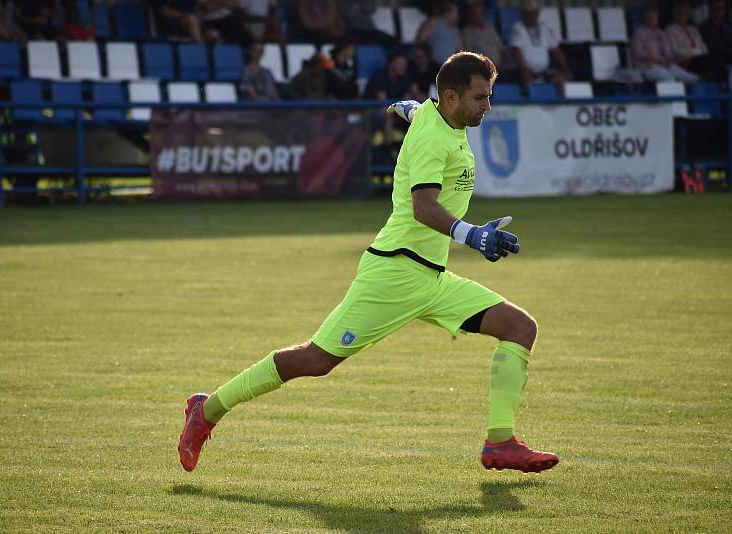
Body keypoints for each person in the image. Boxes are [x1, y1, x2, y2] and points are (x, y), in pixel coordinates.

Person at [178, 50, 560, 476]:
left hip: (430, 276)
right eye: (480, 97)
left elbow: (427, 120)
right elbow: (422, 207)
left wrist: (413, 109)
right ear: (450, 96)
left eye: (488, 96)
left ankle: (500, 442)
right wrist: (472, 234)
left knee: (519, 327)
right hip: (394, 273)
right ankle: (206, 410)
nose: (487, 105)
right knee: (316, 360)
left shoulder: (443, 120)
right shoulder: (435, 136)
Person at [509, 0, 571, 89]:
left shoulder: (544, 28)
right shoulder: (518, 28)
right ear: (523, 15)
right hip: (525, 71)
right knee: (527, 79)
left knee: (562, 79)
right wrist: (523, 68)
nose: (531, 16)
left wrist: (565, 68)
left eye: (533, 13)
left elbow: (556, 50)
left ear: (537, 13)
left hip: (545, 71)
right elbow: (515, 50)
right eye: (528, 13)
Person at [631, 6, 699, 82]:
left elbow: (669, 52)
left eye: (654, 17)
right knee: (669, 79)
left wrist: (669, 60)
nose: (652, 19)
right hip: (647, 66)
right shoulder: (639, 32)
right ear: (644, 18)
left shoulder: (662, 33)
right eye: (649, 17)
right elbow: (638, 53)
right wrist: (656, 62)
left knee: (691, 78)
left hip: (665, 65)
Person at [462, 1, 516, 81]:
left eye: (479, 13)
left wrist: (505, 62)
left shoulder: (490, 29)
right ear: (470, 15)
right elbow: (469, 54)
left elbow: (501, 48)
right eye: (475, 13)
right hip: (482, 66)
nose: (477, 16)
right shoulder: (467, 32)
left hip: (499, 65)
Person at [666, 1, 713, 79]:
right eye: (679, 13)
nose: (681, 16)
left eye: (684, 13)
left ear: (688, 15)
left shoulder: (693, 29)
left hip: (700, 60)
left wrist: (699, 53)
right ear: (674, 14)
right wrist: (695, 52)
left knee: (715, 60)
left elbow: (704, 47)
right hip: (684, 62)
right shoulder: (670, 29)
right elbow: (676, 51)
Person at [699, 0, 732, 84]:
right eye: (715, 9)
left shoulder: (727, 27)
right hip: (715, 63)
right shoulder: (704, 28)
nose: (719, 12)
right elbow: (714, 48)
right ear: (710, 10)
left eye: (721, 9)